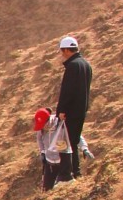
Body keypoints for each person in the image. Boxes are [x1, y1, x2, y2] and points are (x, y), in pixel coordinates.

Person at [54, 36, 93, 180]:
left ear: (66, 50)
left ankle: (68, 175)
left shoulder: (72, 66)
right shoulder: (86, 65)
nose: (62, 54)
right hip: (81, 109)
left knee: (66, 143)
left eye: (62, 51)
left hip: (70, 111)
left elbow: (68, 91)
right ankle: (76, 173)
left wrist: (62, 110)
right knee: (74, 141)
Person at [33, 107, 64, 191]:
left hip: (62, 160)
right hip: (49, 161)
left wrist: (84, 147)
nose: (42, 128)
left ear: (48, 119)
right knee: (46, 189)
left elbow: (74, 135)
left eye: (43, 125)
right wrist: (43, 152)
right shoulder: (41, 128)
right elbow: (39, 139)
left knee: (61, 187)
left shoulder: (59, 122)